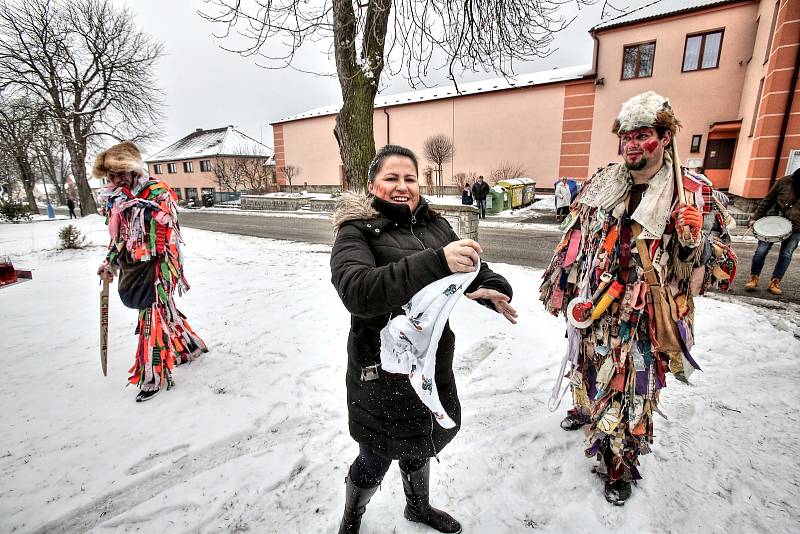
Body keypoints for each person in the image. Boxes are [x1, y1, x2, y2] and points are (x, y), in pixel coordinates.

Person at [539, 92, 735, 506]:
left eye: (642, 135)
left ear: (665, 138)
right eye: (625, 136)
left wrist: (694, 239)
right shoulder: (604, 183)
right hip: (595, 309)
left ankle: (619, 463)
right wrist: (563, 289)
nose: (631, 144)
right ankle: (588, 409)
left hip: (644, 319)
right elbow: (575, 239)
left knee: (633, 392)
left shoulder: (693, 193)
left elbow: (722, 270)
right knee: (588, 369)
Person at [331, 144, 517, 533]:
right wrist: (436, 262)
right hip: (378, 373)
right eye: (391, 179)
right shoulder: (356, 232)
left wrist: (491, 286)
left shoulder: (436, 226)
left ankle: (418, 508)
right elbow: (358, 291)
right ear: (371, 185)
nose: (403, 187)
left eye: (410, 179)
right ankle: (353, 516)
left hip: (431, 366)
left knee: (420, 445)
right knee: (375, 456)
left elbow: (467, 268)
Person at [95, 141, 207, 403]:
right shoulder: (116, 200)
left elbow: (161, 238)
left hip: (159, 266)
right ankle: (189, 347)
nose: (115, 180)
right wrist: (110, 261)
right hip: (135, 266)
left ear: (134, 171)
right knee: (163, 311)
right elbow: (119, 237)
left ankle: (151, 376)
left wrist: (140, 211)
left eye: (120, 174)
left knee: (151, 319)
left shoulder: (157, 193)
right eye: (111, 176)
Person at [744, 168, 800, 295]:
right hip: (773, 223)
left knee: (786, 255)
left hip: (796, 227)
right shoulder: (784, 181)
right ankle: (753, 278)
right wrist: (755, 218)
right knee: (760, 252)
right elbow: (767, 200)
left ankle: (775, 282)